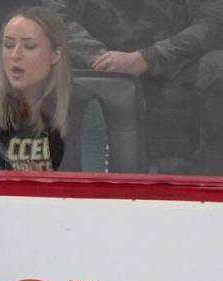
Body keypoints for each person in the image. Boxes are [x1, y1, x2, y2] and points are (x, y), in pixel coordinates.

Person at [44, 0, 223, 174]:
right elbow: (55, 17)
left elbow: (213, 23)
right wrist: (102, 58)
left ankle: (208, 190)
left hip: (175, 68)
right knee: (34, 52)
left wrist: (148, 58)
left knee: (218, 67)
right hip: (96, 68)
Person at [0, 6, 108, 173]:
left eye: (29, 46)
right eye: (8, 45)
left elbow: (95, 188)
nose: (15, 55)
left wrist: (46, 187)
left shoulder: (83, 105)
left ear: (55, 54)